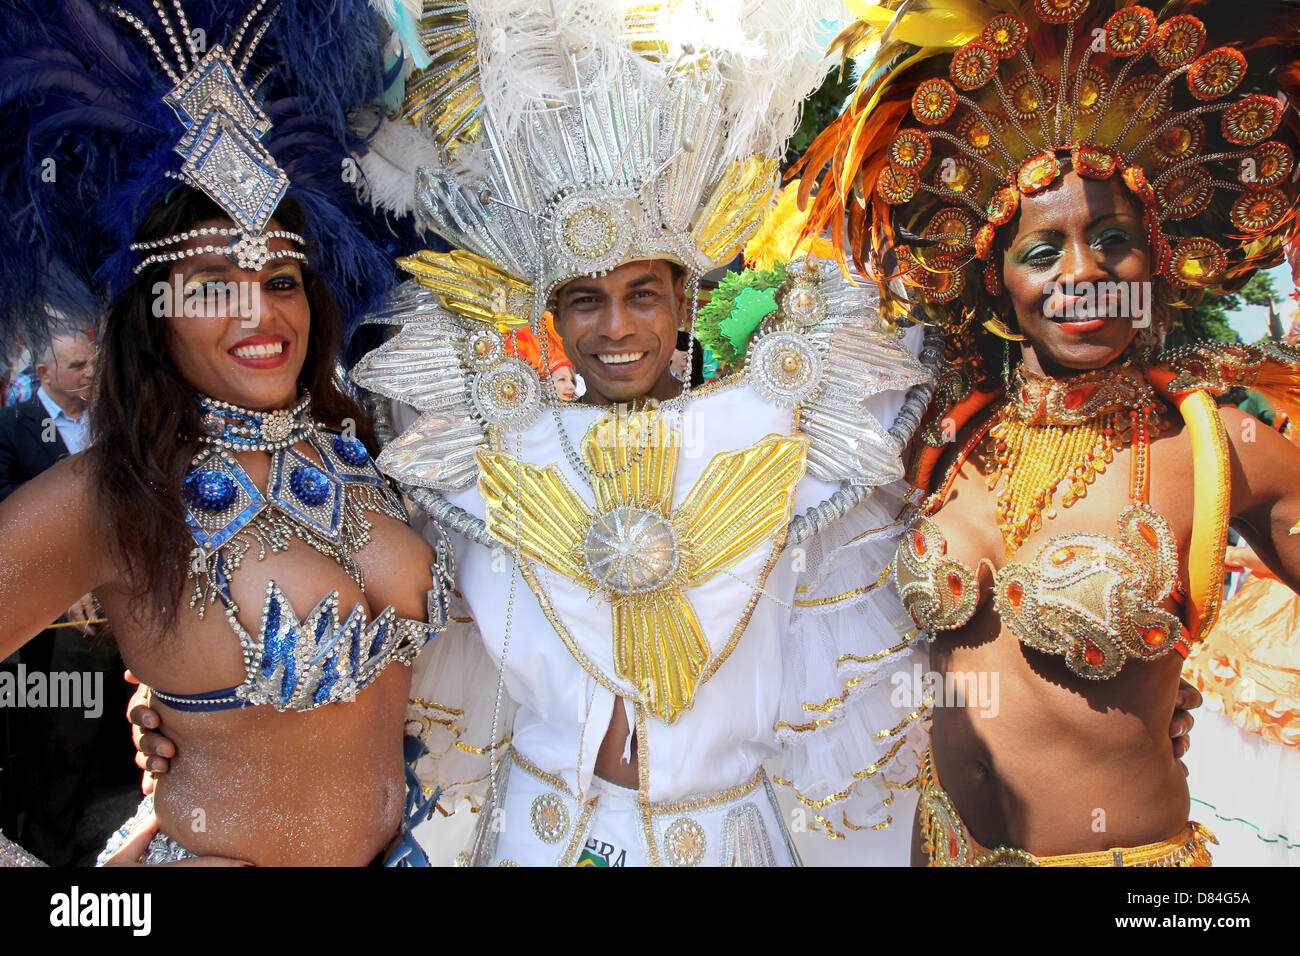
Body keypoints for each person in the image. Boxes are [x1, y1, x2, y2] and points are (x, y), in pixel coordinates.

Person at [341, 0, 950, 865]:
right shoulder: (488, 449)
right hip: (537, 835)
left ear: (683, 302)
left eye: (643, 295)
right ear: (553, 315)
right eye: (586, 299)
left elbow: (920, 364)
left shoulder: (777, 432)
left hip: (728, 838)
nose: (616, 327)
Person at [796, 0, 1299, 865]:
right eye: (1041, 252)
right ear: (997, 283)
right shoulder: (943, 434)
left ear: (1156, 257)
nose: (1084, 274)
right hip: (940, 850)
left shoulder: (1218, 445)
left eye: (1113, 240)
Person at [0, 0, 446, 866]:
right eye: (209, 284)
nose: (260, 310)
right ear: (151, 316)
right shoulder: (109, 490)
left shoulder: (352, 440)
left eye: (280, 277)